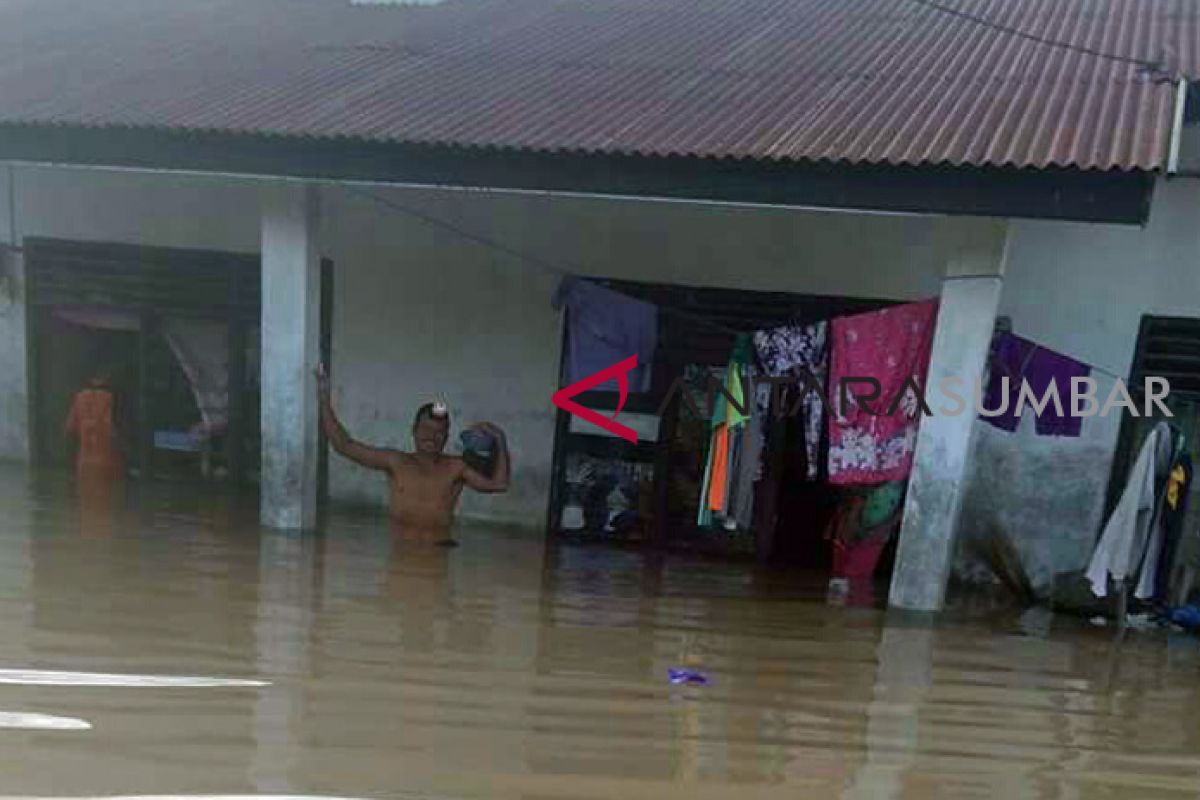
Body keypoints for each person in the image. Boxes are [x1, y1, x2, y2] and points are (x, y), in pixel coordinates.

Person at [315, 363, 510, 544]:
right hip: (401, 549)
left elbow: (499, 485)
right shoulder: (396, 462)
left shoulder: (456, 468)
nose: (431, 437)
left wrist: (500, 440)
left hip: (439, 549)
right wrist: (324, 399)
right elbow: (343, 446)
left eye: (439, 432)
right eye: (426, 429)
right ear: (414, 431)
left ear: (446, 437)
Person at [64, 373, 125, 481]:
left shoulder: (79, 398)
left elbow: (69, 430)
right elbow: (116, 431)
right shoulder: (112, 398)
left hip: (84, 464)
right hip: (108, 464)